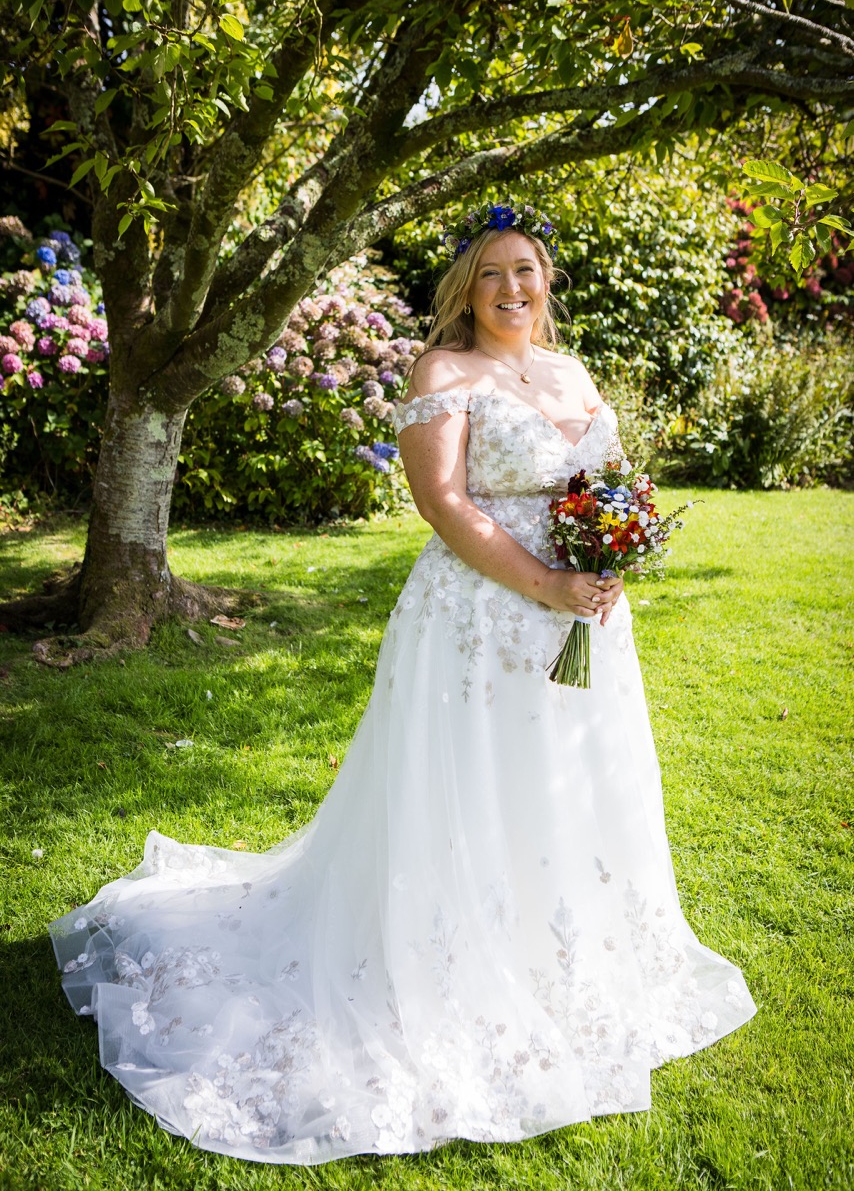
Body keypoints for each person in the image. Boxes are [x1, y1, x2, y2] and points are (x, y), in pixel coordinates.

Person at [50, 200, 756, 1166]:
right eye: (495, 273)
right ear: (466, 288)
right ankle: (454, 957)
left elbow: (611, 476)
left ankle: (561, 951)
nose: (515, 288)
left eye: (528, 270)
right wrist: (547, 579)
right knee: (476, 781)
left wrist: (612, 547)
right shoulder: (444, 372)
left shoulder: (569, 369)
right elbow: (446, 504)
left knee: (568, 776)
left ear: (546, 281)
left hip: (587, 614)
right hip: (484, 616)